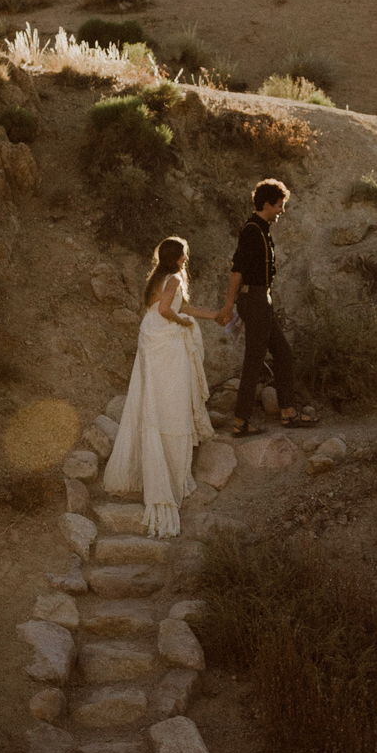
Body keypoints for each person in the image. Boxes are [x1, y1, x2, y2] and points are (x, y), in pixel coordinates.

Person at [103, 236, 216, 535]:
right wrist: (184, 325)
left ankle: (156, 471)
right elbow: (169, 310)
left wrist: (212, 315)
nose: (185, 259)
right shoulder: (175, 278)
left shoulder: (159, 278)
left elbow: (181, 307)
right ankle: (168, 478)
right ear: (179, 257)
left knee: (151, 400)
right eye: (184, 255)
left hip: (151, 340)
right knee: (171, 402)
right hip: (165, 343)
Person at [221, 180, 318, 437]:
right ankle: (241, 421)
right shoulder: (252, 230)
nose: (281, 211)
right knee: (254, 360)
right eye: (279, 205)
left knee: (283, 353)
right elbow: (237, 272)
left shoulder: (261, 229)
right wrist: (228, 306)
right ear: (266, 204)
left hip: (260, 299)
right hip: (254, 299)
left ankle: (287, 412)